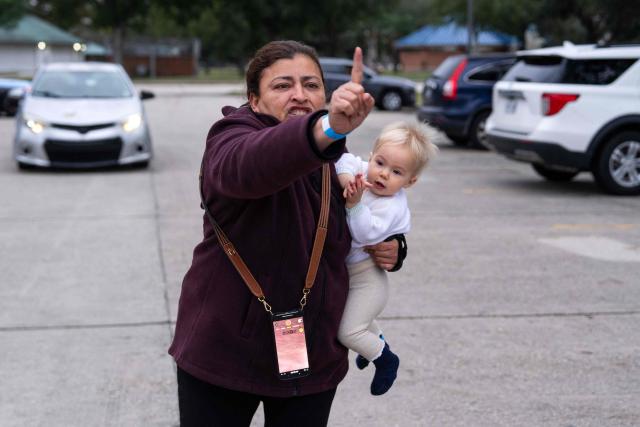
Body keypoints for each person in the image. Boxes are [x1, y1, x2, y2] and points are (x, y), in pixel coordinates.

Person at [168, 40, 404, 426]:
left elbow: (371, 213)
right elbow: (251, 166)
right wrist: (327, 127)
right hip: (223, 350)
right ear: (254, 100)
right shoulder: (230, 140)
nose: (299, 95)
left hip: (308, 352)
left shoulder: (333, 155)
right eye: (282, 86)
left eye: (311, 85)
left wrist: (393, 246)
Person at [335, 122, 438, 396]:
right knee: (358, 321)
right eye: (379, 162)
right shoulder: (364, 173)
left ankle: (385, 359)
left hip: (367, 277)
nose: (382, 174)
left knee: (348, 331)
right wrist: (347, 181)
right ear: (372, 155)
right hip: (350, 274)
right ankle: (377, 342)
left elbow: (366, 233)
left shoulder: (391, 204)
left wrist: (354, 204)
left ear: (410, 181)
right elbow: (343, 160)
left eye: (396, 172)